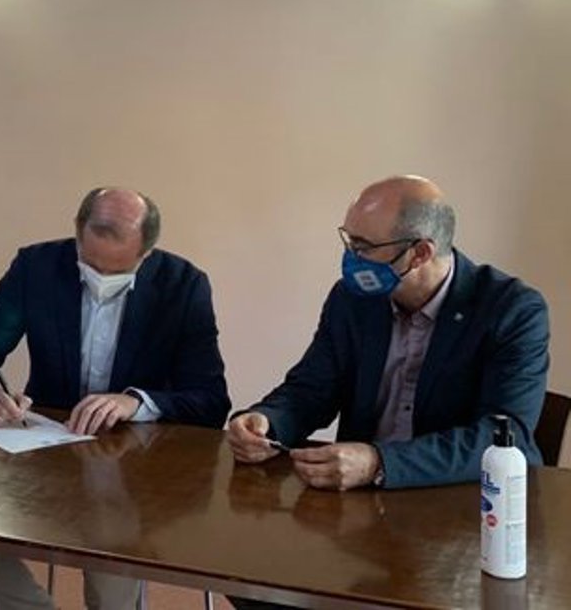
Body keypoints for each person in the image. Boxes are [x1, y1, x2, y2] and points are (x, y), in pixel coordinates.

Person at [225, 175, 550, 609]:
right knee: (249, 578)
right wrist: (268, 419)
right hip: (356, 514)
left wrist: (380, 462)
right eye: (348, 241)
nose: (350, 258)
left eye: (363, 246)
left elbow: (505, 437)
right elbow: (313, 386)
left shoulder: (511, 309)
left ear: (420, 253)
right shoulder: (353, 298)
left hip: (456, 519)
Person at [0, 187, 230, 610]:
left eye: (118, 271)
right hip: (42, 461)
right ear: (78, 233)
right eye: (90, 265)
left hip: (131, 473)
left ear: (146, 254)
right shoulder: (37, 268)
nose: (101, 279)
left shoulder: (183, 285)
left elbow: (210, 399)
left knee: (113, 565)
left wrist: (135, 402)